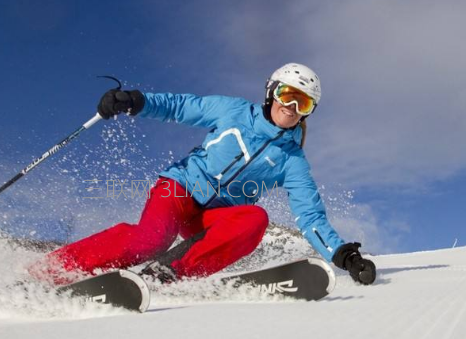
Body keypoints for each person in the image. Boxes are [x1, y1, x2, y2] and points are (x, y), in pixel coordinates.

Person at [36, 63, 376, 286]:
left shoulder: (292, 160)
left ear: (308, 113)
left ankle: (168, 274)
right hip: (179, 190)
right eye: (288, 95)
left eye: (303, 103)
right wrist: (134, 101)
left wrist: (344, 255)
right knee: (150, 241)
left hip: (213, 217)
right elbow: (181, 106)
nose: (291, 107)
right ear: (272, 91)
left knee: (255, 218)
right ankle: (49, 270)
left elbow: (310, 215)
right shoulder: (232, 111)